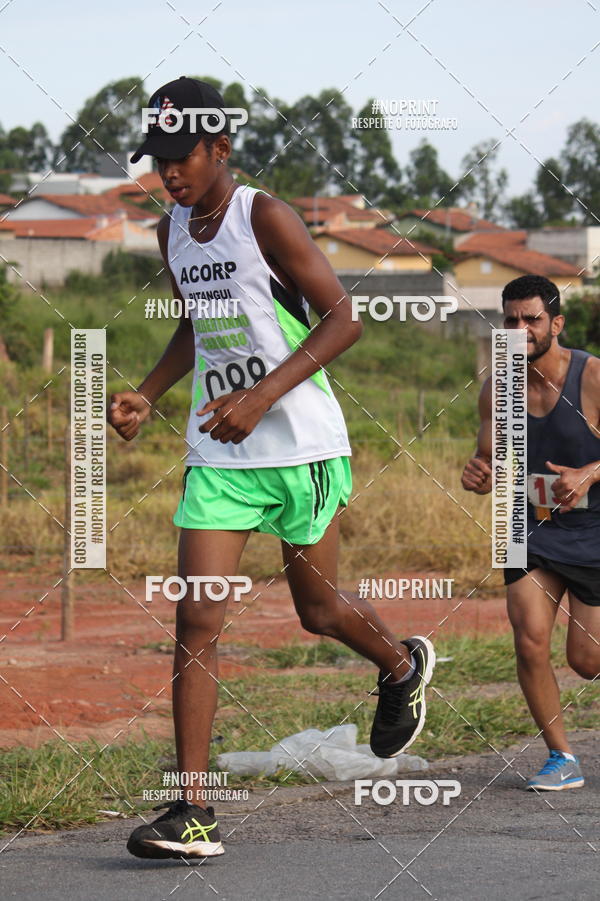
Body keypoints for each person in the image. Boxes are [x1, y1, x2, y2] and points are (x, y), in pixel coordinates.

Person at [109, 76, 435, 859]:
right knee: (197, 620)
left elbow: (342, 319)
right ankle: (192, 810)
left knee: (317, 613)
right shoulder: (174, 232)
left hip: (301, 445)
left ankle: (399, 664)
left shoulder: (266, 216)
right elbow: (200, 321)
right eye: (156, 162)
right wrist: (150, 394)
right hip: (219, 452)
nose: (169, 175)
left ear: (221, 146)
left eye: (181, 156)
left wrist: (261, 396)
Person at [462, 274, 600, 790]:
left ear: (555, 323)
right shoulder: (498, 388)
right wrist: (476, 474)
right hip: (526, 527)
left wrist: (587, 473)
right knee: (529, 641)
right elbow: (486, 461)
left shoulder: (590, 377)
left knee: (586, 660)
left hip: (593, 528)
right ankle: (561, 757)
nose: (520, 329)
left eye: (532, 319)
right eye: (511, 320)